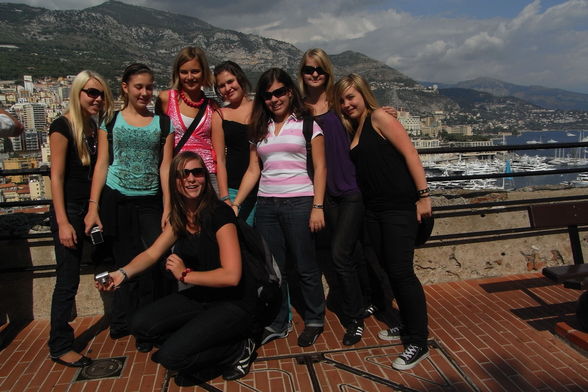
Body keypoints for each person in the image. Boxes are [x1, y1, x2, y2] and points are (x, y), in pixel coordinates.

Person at [98, 151, 257, 386]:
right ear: (174, 181)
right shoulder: (182, 216)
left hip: (233, 302)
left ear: (205, 177)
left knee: (172, 357)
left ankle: (238, 349)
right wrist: (121, 273)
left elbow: (232, 276)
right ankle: (200, 335)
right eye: (184, 174)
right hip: (202, 297)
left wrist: (185, 274)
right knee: (140, 325)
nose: (191, 179)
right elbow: (153, 252)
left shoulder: (219, 214)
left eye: (197, 172)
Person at [335, 73, 432, 370]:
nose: (347, 103)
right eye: (342, 100)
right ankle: (407, 326)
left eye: (351, 96)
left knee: (402, 273)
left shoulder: (379, 117)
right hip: (374, 210)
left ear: (364, 94)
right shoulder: (355, 127)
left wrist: (424, 196)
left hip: (398, 207)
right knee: (389, 270)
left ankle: (418, 341)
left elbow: (410, 153)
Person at [231, 68, 327, 347]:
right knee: (275, 270)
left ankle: (314, 319)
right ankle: (278, 322)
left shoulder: (308, 125)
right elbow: (253, 170)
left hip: (300, 201)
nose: (274, 99)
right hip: (267, 205)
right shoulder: (259, 129)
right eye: (268, 94)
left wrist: (318, 206)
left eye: (279, 92)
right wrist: (236, 204)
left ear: (289, 92)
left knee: (306, 265)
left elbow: (321, 168)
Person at [84, 63, 174, 352]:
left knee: (152, 265)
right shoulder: (109, 120)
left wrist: (168, 206)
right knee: (123, 262)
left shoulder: (163, 123)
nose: (145, 93)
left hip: (150, 200)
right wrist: (93, 206)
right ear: (125, 87)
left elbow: (166, 166)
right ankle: (125, 321)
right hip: (116, 198)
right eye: (139, 86)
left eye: (149, 87)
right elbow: (102, 164)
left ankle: (147, 327)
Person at [297, 48, 367, 346]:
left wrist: (383, 112)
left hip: (350, 189)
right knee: (341, 254)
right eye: (308, 70)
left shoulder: (339, 102)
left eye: (319, 70)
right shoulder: (297, 108)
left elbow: (364, 114)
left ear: (327, 73)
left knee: (340, 254)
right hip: (322, 193)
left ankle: (355, 319)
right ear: (302, 73)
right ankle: (360, 302)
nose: (314, 75)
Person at [48, 70, 114, 367]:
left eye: (100, 93)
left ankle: (119, 319)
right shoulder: (62, 126)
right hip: (71, 211)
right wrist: (62, 221)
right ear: (76, 93)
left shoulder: (93, 127)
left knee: (106, 260)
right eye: (91, 92)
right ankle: (60, 345)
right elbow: (57, 176)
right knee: (67, 279)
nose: (97, 98)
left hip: (90, 208)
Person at [156, 47, 219, 192]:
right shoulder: (166, 99)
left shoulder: (213, 107)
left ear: (204, 73)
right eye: (184, 72)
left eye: (195, 71)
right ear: (177, 74)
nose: (189, 77)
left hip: (207, 175)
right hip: (178, 174)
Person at [211, 61, 256, 224]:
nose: (227, 88)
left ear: (240, 78)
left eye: (230, 81)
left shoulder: (261, 108)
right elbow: (220, 160)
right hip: (233, 190)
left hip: (265, 190)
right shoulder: (220, 115)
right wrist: (225, 197)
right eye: (221, 86)